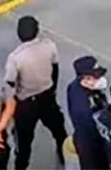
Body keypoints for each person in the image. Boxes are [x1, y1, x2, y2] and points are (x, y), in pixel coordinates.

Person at [4, 15, 67, 170]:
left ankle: (21, 167)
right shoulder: (49, 46)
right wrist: (52, 89)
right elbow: (55, 68)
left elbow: (10, 83)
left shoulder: (15, 58)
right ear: (37, 30)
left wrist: (11, 106)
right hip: (47, 98)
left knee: (23, 144)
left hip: (26, 104)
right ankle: (65, 156)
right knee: (59, 131)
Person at [67, 56, 110, 170]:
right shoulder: (81, 106)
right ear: (86, 79)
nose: (100, 79)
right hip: (90, 145)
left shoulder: (84, 87)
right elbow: (91, 130)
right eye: (96, 77)